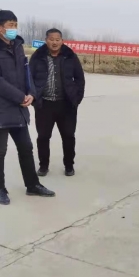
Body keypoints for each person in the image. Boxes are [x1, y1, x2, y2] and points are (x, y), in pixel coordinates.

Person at [0, 10, 55, 205]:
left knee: (26, 147)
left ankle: (32, 185)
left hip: (18, 107)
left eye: (15, 25)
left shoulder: (17, 46)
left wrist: (31, 93)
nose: (14, 29)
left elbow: (26, 73)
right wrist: (19, 97)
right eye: (10, 25)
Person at [30, 28, 85, 177]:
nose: (54, 42)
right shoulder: (38, 56)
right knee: (43, 137)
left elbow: (79, 79)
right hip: (44, 104)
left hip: (66, 105)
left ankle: (69, 165)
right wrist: (34, 98)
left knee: (68, 136)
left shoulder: (70, 56)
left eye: (57, 39)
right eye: (51, 39)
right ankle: (43, 166)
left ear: (62, 41)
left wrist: (77, 98)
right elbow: (29, 78)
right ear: (46, 40)